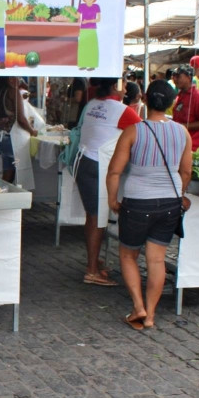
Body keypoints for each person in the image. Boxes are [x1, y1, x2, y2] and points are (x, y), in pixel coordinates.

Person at [106, 79, 192, 331]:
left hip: (137, 202)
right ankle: (151, 314)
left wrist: (113, 199)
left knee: (128, 254)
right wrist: (180, 192)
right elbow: (186, 171)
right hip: (169, 203)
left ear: (144, 99)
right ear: (172, 102)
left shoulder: (133, 131)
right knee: (156, 260)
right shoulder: (182, 132)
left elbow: (114, 171)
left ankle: (138, 306)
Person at [77, 77, 141, 286]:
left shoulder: (91, 104)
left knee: (93, 217)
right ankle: (92, 270)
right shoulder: (122, 110)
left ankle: (94, 261)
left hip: (84, 162)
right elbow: (144, 134)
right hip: (98, 166)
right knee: (97, 219)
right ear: (115, 87)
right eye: (123, 84)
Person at [0, 76, 38, 186]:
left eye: (18, 77)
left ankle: (0, 195)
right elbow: (21, 118)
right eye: (14, 77)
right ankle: (10, 198)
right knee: (17, 171)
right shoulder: (13, 92)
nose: (18, 80)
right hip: (13, 140)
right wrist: (32, 130)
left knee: (8, 171)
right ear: (8, 79)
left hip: (2, 139)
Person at [172, 65, 199, 151]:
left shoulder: (198, 96)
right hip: (178, 144)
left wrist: (182, 126)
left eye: (178, 76)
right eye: (174, 76)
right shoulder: (180, 95)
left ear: (189, 77)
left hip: (192, 147)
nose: (174, 79)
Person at [76, 0, 102, 70]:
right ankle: (83, 64)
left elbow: (98, 19)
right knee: (83, 47)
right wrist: (69, 12)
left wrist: (88, 21)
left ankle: (92, 65)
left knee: (92, 47)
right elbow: (77, 16)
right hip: (83, 29)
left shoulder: (96, 6)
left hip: (92, 30)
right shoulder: (81, 6)